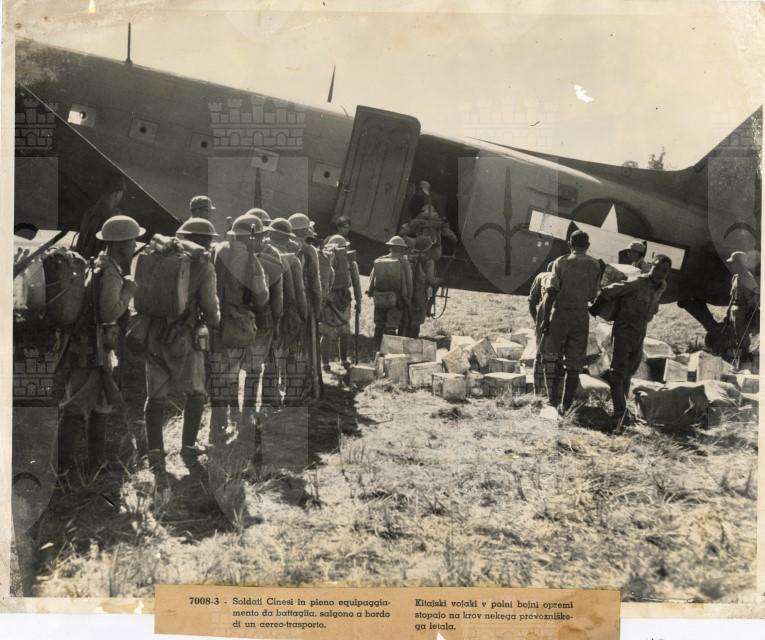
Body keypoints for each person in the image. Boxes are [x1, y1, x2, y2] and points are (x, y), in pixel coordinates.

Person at [57, 215, 142, 476]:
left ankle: (97, 462)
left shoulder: (100, 265)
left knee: (101, 403)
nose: (134, 246)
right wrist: (128, 291)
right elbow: (109, 312)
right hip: (91, 348)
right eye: (132, 242)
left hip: (95, 346)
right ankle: (60, 468)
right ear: (120, 244)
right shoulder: (112, 274)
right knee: (77, 404)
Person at [143, 218, 220, 471]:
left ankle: (155, 451)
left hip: (154, 333)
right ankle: (188, 446)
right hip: (184, 336)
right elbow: (209, 306)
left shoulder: (158, 256)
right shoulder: (204, 266)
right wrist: (215, 321)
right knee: (196, 391)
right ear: (205, 240)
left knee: (155, 394)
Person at [208, 213, 269, 447]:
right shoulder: (251, 260)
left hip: (215, 319)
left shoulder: (218, 249)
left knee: (220, 376)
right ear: (252, 237)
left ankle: (217, 429)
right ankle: (244, 421)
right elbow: (261, 298)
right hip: (240, 323)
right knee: (252, 369)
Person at [596, 255, 672, 430]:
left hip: (640, 332)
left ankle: (622, 410)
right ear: (651, 266)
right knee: (617, 372)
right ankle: (619, 412)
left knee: (629, 372)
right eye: (657, 268)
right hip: (624, 330)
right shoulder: (638, 282)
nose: (660, 273)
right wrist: (600, 309)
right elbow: (608, 291)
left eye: (664, 271)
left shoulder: (661, 286)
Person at [539, 230, 602, 413]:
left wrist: (545, 319)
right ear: (588, 245)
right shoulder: (595, 265)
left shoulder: (560, 262)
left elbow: (551, 292)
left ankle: (551, 399)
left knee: (551, 356)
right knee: (574, 364)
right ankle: (565, 406)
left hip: (560, 313)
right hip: (581, 315)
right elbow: (594, 296)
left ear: (569, 244)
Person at [262, 218, 307, 408]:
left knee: (269, 355)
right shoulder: (292, 260)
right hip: (289, 313)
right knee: (291, 353)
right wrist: (304, 315)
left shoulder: (261, 255)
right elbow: (299, 292)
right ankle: (291, 396)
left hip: (266, 312)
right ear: (287, 238)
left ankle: (269, 396)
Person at [288, 212, 323, 401]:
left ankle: (290, 388)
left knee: (290, 346)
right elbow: (315, 283)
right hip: (306, 302)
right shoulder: (309, 251)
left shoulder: (283, 247)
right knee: (307, 345)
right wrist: (317, 308)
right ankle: (307, 387)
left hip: (287, 302)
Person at [320, 235, 362, 371]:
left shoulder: (325, 260)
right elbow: (356, 283)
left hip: (328, 299)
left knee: (326, 331)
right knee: (344, 330)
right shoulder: (351, 262)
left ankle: (325, 363)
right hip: (344, 299)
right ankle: (343, 360)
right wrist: (359, 301)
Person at [368, 236, 411, 351]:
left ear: (390, 247)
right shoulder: (404, 263)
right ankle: (389, 354)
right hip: (396, 300)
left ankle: (376, 351)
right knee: (391, 327)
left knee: (379, 325)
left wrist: (372, 292)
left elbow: (372, 279)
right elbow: (408, 283)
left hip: (380, 299)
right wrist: (407, 299)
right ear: (402, 249)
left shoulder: (379, 260)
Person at [74, 173, 128, 260]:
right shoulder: (115, 218)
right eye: (121, 193)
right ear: (117, 194)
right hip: (100, 264)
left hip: (82, 261)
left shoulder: (89, 213)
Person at [722, 251, 760, 364]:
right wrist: (728, 312)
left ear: (740, 264)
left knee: (742, 337)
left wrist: (750, 311)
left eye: (733, 263)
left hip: (743, 310)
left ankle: (745, 360)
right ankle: (737, 360)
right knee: (735, 336)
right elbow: (732, 296)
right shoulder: (735, 277)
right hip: (734, 310)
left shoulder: (747, 277)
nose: (731, 265)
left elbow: (755, 294)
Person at [528, 262, 555, 396]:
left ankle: (539, 392)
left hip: (545, 319)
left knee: (540, 355)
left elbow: (531, 303)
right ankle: (551, 392)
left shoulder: (541, 276)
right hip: (560, 318)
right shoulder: (561, 276)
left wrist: (537, 322)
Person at [405, 235, 438, 338]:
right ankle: (412, 339)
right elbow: (429, 279)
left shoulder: (407, 258)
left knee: (405, 317)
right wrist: (439, 280)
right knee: (416, 320)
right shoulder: (429, 262)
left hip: (406, 291)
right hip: (420, 294)